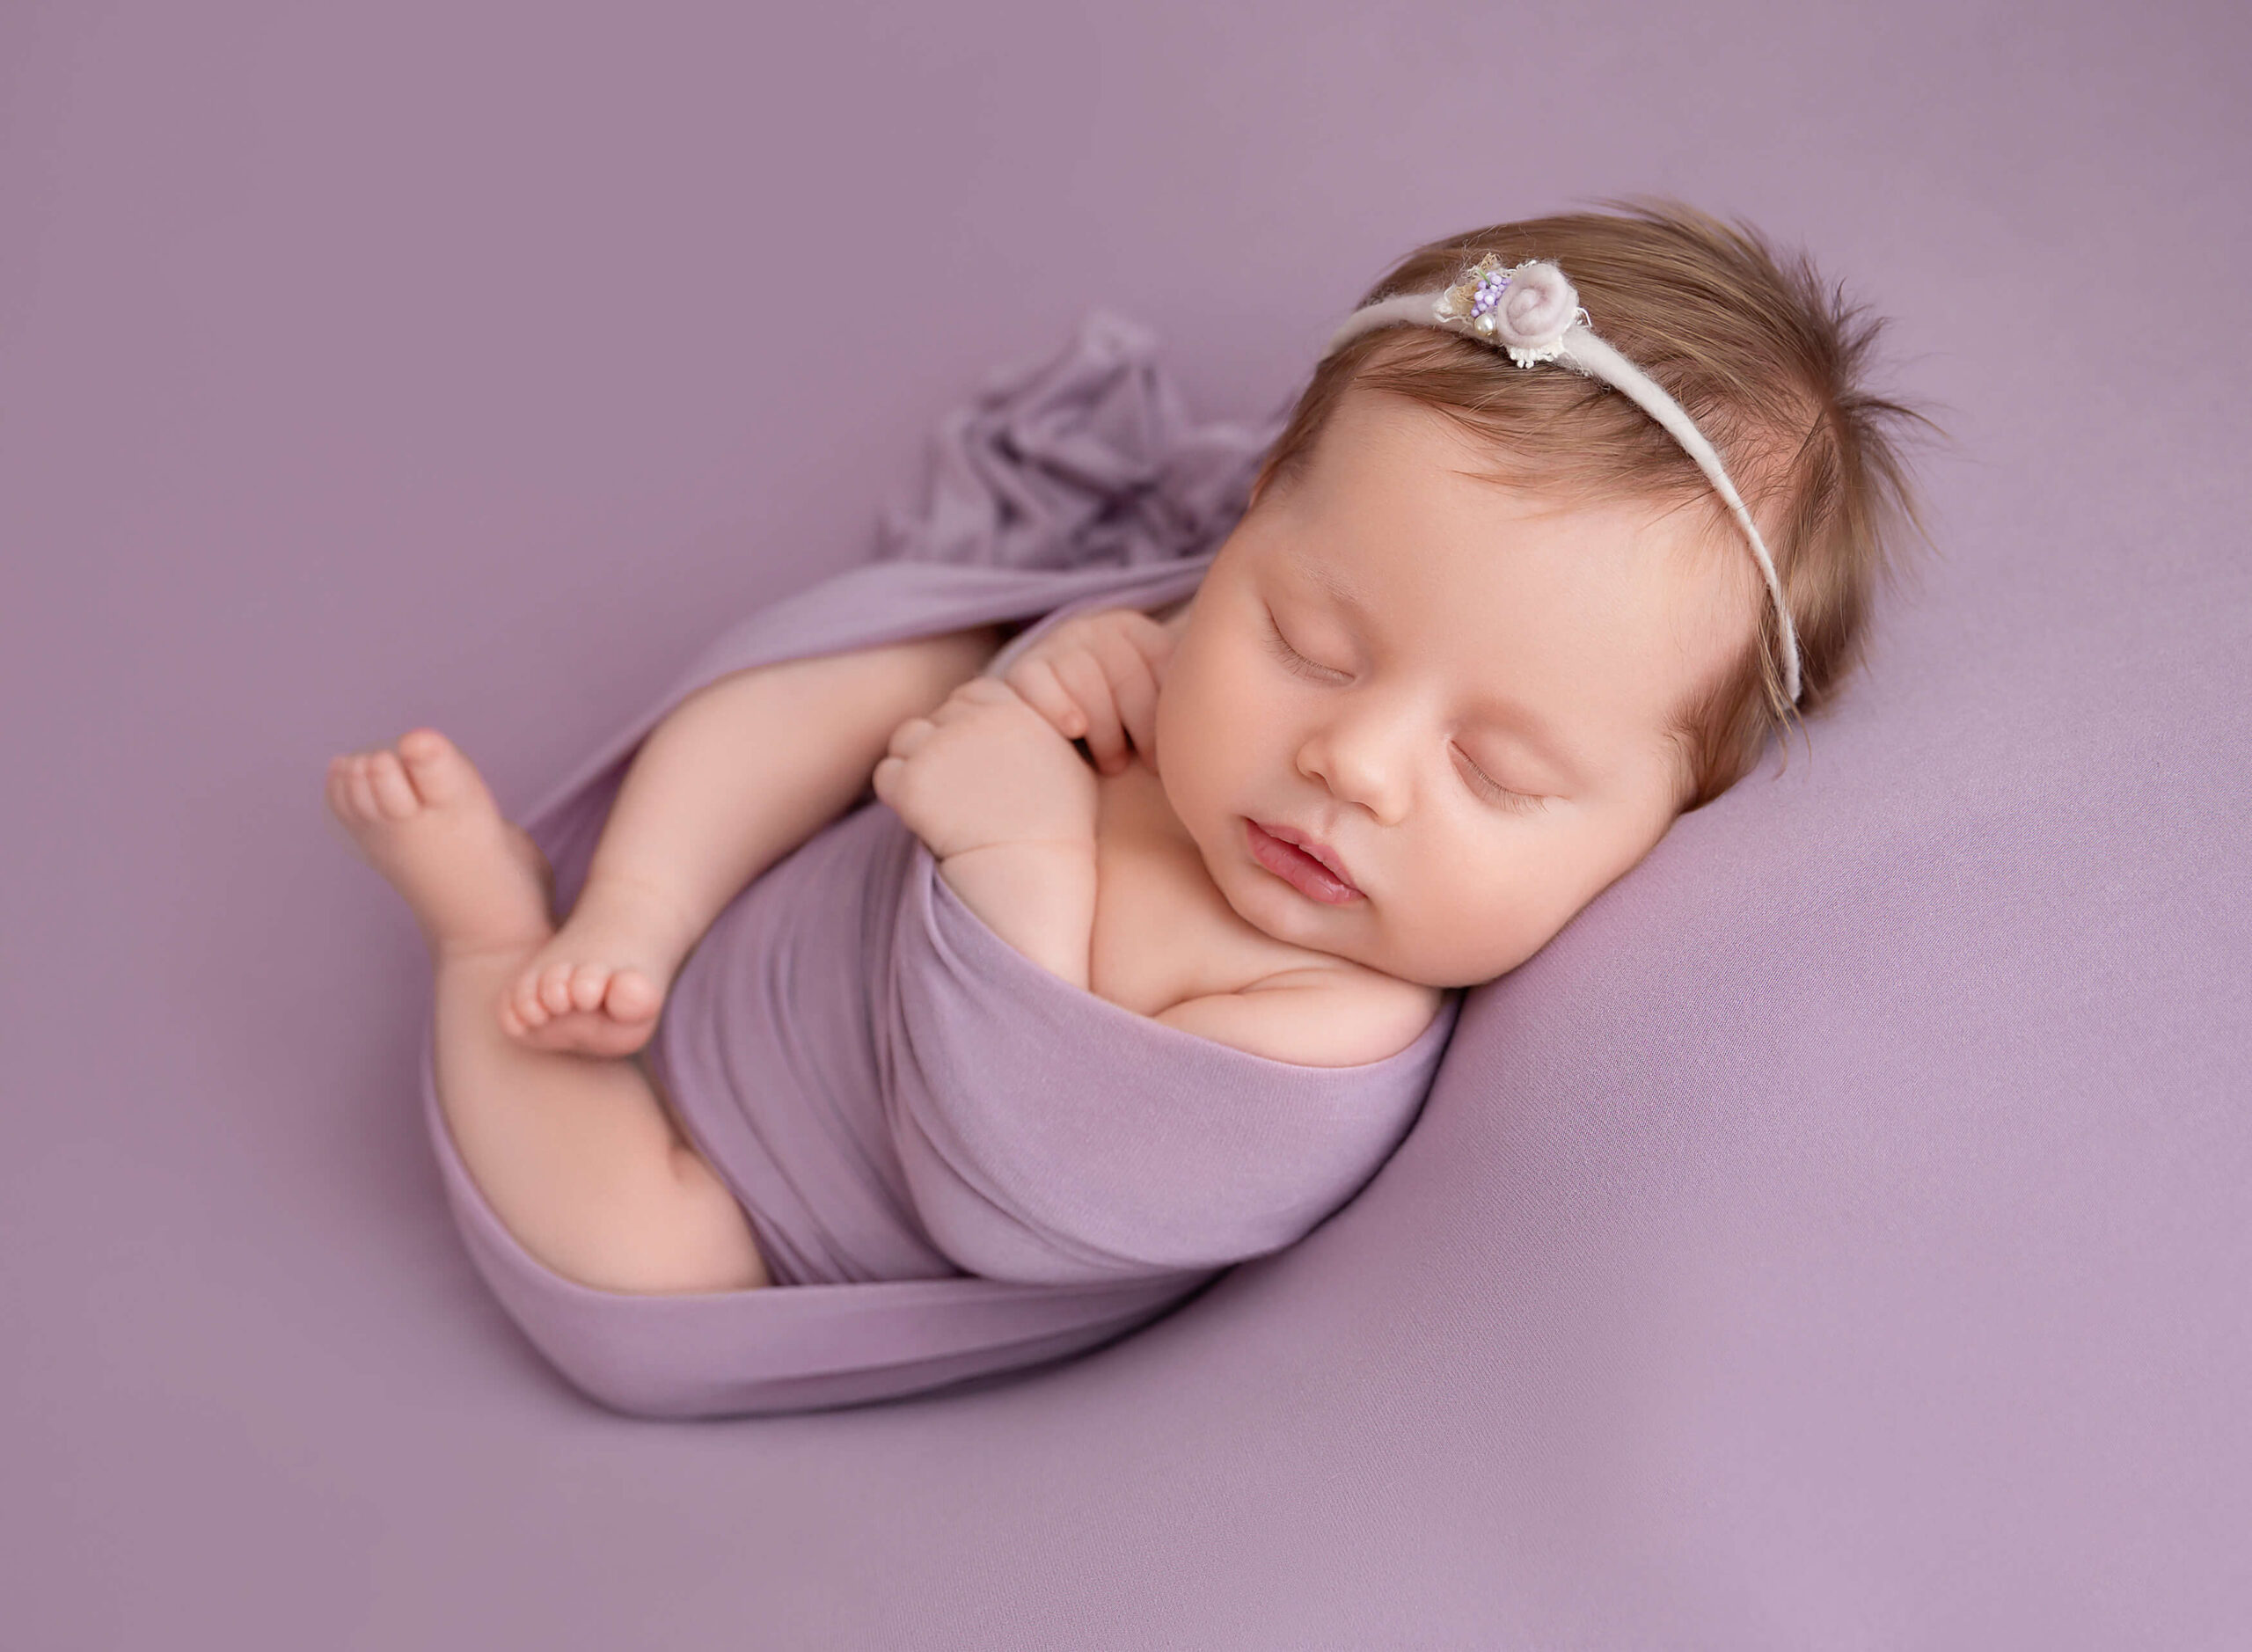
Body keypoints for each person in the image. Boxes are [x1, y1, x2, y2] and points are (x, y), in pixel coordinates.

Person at [323, 199, 1931, 1414]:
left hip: (754, 1194)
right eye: (1307, 636)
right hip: (773, 903)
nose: (1353, 762)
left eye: (1497, 772)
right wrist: (1067, 653)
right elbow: (1052, 654)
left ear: (1671, 811)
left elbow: (1013, 1177)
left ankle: (486, 942)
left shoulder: (1324, 1029)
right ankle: (637, 899)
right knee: (900, 647)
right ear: (1247, 525)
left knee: (629, 1274)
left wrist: (1021, 843)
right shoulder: (1191, 651)